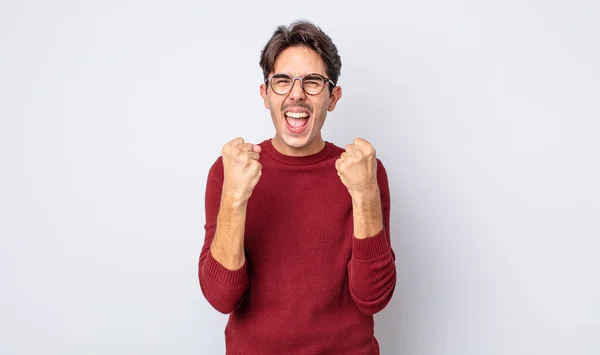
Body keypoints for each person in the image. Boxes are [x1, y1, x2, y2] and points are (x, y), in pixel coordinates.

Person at [198, 20, 396, 354]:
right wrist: (234, 197)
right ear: (265, 95)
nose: (296, 94)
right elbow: (221, 297)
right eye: (283, 80)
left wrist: (365, 195)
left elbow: (373, 296)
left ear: (333, 97)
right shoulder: (229, 172)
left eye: (313, 82)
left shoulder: (364, 172)